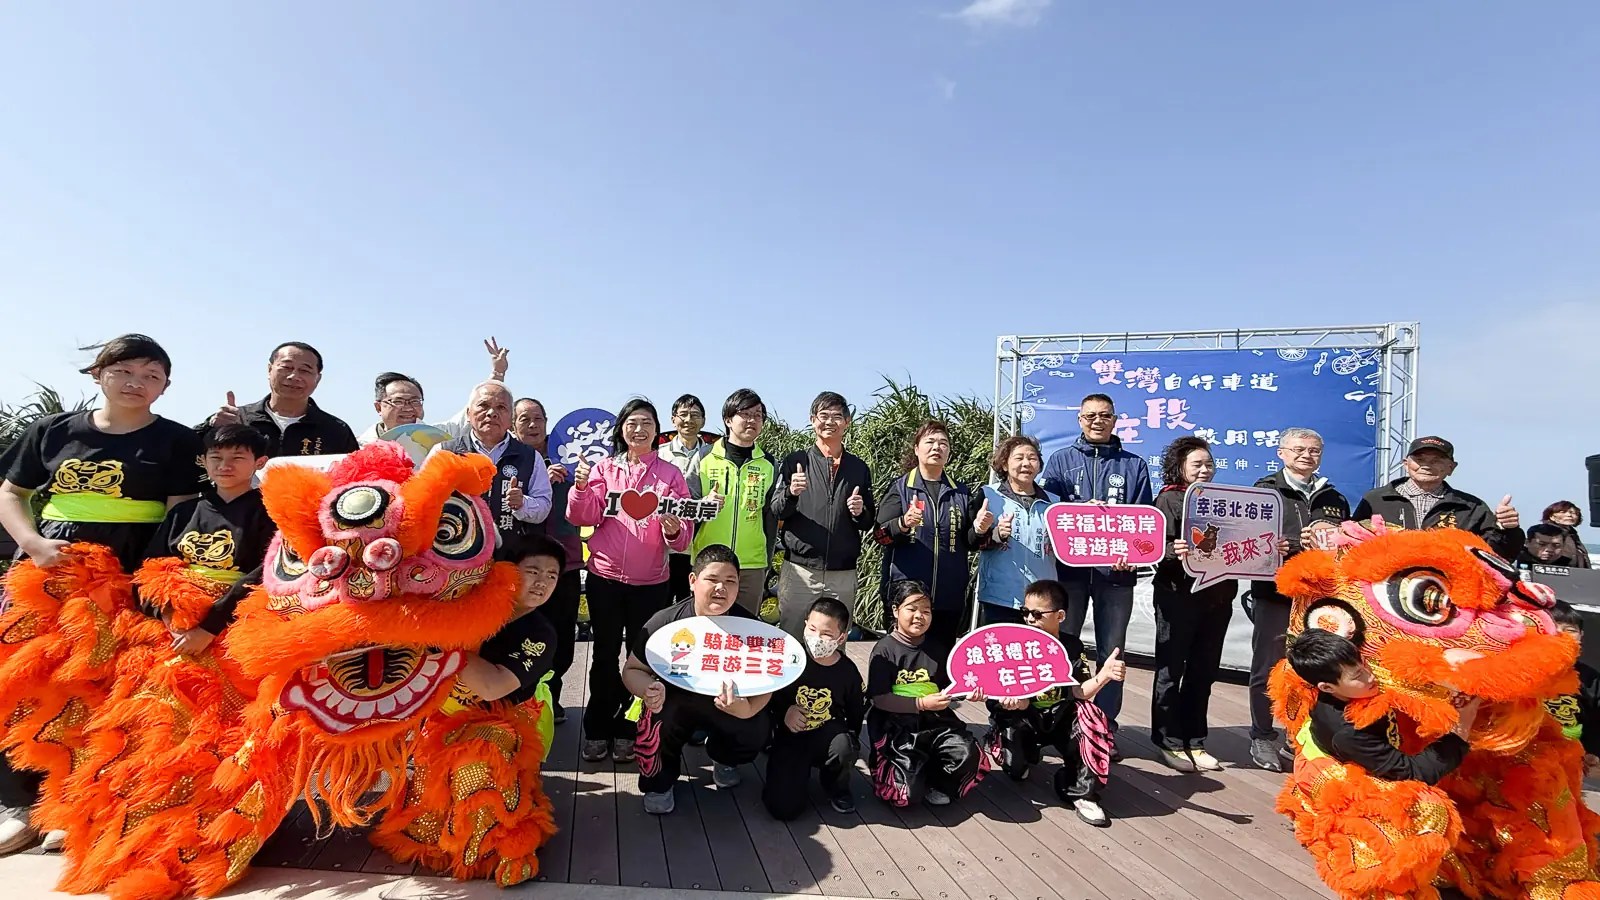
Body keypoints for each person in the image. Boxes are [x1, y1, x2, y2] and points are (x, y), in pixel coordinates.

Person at [0, 334, 205, 855]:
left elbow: (181, 515)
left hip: (129, 578)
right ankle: (24, 805)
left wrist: (149, 580)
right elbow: (12, 493)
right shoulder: (51, 431)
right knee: (28, 681)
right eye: (125, 371)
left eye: (152, 375)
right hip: (50, 570)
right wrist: (33, 543)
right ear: (98, 374)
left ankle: (84, 807)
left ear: (165, 386)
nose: (137, 383)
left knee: (109, 690)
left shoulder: (178, 442)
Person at [567, 398, 693, 763]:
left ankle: (629, 727)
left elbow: (683, 535)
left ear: (657, 431)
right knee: (604, 655)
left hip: (652, 581)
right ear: (621, 428)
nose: (639, 430)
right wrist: (579, 488)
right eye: (632, 422)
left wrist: (674, 529)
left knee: (641, 659)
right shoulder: (604, 468)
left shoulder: (670, 475)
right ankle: (597, 726)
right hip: (604, 576)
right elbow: (583, 515)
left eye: (647, 423)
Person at [624, 545, 772, 815]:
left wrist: (747, 708)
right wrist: (648, 690)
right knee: (653, 717)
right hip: (675, 702)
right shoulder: (664, 623)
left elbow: (769, 680)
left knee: (758, 724)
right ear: (693, 582)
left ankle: (723, 757)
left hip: (727, 703)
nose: (721, 589)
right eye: (712, 580)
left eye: (730, 582)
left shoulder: (751, 628)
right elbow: (631, 670)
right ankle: (659, 783)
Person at [1039, 393, 1153, 733]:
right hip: (1069, 574)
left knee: (1112, 652)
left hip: (1115, 577)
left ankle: (1104, 725)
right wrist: (1076, 510)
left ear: (1115, 419)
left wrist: (1132, 556)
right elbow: (1048, 512)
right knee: (1064, 646)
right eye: (1090, 415)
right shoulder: (1060, 460)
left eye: (1104, 415)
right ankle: (1062, 719)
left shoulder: (1134, 465)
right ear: (1079, 419)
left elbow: (1144, 521)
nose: (1097, 421)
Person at [1247, 427, 1351, 772]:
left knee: (1314, 667)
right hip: (1275, 593)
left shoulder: (1334, 498)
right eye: (1299, 449)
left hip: (1321, 597)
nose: (1306, 455)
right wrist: (1294, 544)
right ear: (1281, 453)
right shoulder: (1264, 491)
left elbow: (1348, 545)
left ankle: (1303, 738)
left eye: (1314, 451)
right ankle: (1262, 736)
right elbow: (1248, 541)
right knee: (1269, 665)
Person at [985, 580, 1124, 826]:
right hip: (1022, 716)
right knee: (1015, 771)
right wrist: (1011, 702)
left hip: (1060, 716)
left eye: (1037, 614)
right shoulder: (1011, 644)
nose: (1029, 619)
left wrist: (1104, 676)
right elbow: (998, 692)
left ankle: (1083, 793)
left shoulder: (1071, 646)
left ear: (1059, 615)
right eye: (1025, 612)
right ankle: (1009, 749)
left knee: (1090, 716)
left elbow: (1080, 691)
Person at [141, 423, 274, 653]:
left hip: (235, 622)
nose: (224, 466)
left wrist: (209, 628)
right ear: (203, 460)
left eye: (237, 457)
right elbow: (150, 567)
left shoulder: (271, 513)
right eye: (216, 457)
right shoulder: (183, 513)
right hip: (172, 624)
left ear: (259, 462)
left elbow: (265, 573)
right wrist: (168, 615)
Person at [1287, 629, 1477, 784]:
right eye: (1356, 676)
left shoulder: (1353, 683)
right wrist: (1459, 731)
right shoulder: (1349, 733)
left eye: (1365, 664)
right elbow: (1413, 773)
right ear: (1327, 688)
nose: (1370, 676)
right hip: (1340, 779)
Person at [1151, 437, 1239, 773]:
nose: (1204, 470)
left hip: (1217, 598)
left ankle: (1195, 740)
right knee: (1172, 669)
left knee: (1204, 670)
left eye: (1208, 464)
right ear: (1180, 467)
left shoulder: (1226, 501)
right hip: (1177, 595)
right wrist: (1177, 551)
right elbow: (1156, 549)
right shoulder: (1169, 499)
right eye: (1196, 464)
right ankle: (1168, 741)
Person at [865, 580, 986, 808]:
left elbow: (953, 685)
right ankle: (891, 769)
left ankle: (937, 780)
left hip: (936, 722)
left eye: (926, 611)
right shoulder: (884, 650)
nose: (919, 616)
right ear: (895, 610)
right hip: (896, 726)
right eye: (912, 609)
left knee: (969, 754)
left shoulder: (938, 648)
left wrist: (970, 692)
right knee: (905, 795)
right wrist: (920, 703)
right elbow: (878, 698)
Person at [874, 420, 988, 652]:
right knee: (903, 659)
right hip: (907, 597)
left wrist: (980, 529)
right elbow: (880, 535)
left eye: (943, 443)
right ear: (916, 449)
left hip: (949, 596)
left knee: (942, 661)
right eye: (930, 442)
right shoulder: (900, 488)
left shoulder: (961, 492)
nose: (937, 447)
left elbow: (971, 542)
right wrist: (903, 523)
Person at [446, 534, 565, 756]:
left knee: (476, 770)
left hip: (502, 724)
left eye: (552, 575)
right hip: (442, 712)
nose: (542, 582)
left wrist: (435, 638)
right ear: (508, 570)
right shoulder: (471, 603)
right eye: (532, 571)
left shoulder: (541, 635)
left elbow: (492, 687)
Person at [770, 392, 876, 637]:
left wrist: (860, 512)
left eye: (837, 416)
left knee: (834, 640)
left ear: (847, 422)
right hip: (800, 570)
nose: (830, 422)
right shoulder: (796, 461)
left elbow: (869, 520)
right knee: (792, 636)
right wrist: (790, 492)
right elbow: (777, 509)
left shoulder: (858, 467)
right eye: (823, 415)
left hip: (843, 572)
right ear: (812, 419)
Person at [762, 596, 866, 819]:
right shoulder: (789, 659)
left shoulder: (848, 672)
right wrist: (785, 712)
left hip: (828, 734)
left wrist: (851, 741)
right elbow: (769, 696)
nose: (817, 638)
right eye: (812, 629)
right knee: (783, 809)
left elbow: (856, 711)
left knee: (843, 746)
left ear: (841, 638)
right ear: (805, 624)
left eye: (827, 634)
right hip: (791, 735)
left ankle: (837, 786)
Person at [513, 397, 581, 725]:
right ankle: (523, 699)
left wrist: (567, 478)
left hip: (565, 563)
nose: (532, 425)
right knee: (521, 633)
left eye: (537, 418)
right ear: (513, 424)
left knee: (562, 636)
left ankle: (551, 694)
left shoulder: (569, 456)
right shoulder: (511, 460)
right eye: (524, 419)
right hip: (520, 566)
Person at [1352, 436, 1523, 561]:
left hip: (1448, 593)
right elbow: (1352, 545)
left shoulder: (1471, 507)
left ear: (1451, 467)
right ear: (1406, 464)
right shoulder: (1376, 500)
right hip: (1383, 589)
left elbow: (1499, 557)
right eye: (1419, 459)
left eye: (1436, 460)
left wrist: (1507, 529)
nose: (1426, 465)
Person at [688, 389, 776, 616]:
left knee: (745, 629)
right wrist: (704, 504)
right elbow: (686, 506)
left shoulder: (768, 463)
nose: (752, 421)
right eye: (745, 414)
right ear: (728, 419)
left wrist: (766, 559)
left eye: (758, 415)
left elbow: (771, 514)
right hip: (710, 561)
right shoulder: (704, 457)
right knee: (707, 630)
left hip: (751, 564)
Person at [436, 381, 551, 546]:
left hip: (509, 557)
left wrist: (522, 503)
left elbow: (544, 506)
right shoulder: (444, 452)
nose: (492, 413)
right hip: (455, 556)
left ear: (511, 419)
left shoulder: (531, 457)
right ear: (468, 414)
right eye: (483, 405)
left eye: (501, 407)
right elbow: (423, 499)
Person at [200, 341, 358, 458]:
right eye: (286, 367)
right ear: (269, 369)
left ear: (318, 379)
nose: (294, 376)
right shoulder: (236, 418)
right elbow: (190, 449)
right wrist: (211, 428)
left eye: (304, 370)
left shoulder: (336, 430)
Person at [356, 337, 510, 446]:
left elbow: (472, 413)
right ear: (378, 407)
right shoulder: (362, 446)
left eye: (415, 401)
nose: (408, 408)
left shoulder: (438, 437)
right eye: (399, 401)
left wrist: (497, 373)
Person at [975, 435, 1058, 626]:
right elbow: (972, 542)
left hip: (1041, 602)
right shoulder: (988, 495)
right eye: (1019, 458)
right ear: (1004, 465)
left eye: (1032, 458)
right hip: (999, 596)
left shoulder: (1054, 503)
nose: (1026, 463)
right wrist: (994, 533)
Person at [658, 394, 715, 600]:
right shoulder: (659, 453)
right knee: (661, 601)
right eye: (683, 414)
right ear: (673, 419)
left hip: (700, 540)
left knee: (692, 600)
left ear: (704, 420)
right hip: (664, 542)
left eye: (695, 415)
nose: (689, 420)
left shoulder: (714, 455)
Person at [1544, 602, 1600, 776]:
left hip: (1567, 762)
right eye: (1553, 627)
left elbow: (1595, 721)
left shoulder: (1590, 678)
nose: (1560, 634)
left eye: (1570, 630)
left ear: (1581, 636)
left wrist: (1593, 752)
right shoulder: (1518, 669)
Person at [1540, 502, 1591, 569]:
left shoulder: (1572, 535)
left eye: (1574, 513)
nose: (1569, 515)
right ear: (1552, 516)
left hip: (1577, 575)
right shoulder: (1545, 532)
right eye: (1563, 512)